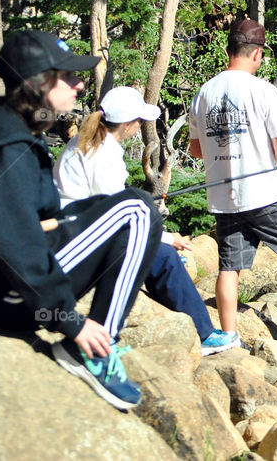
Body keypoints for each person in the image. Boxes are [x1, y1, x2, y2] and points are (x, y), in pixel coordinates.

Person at [0, 30, 162, 410]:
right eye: (67, 76)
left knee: (111, 204)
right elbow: (15, 245)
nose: (80, 84)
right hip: (6, 296)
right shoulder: (7, 148)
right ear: (37, 84)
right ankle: (97, 349)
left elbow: (35, 222)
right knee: (137, 209)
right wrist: (71, 322)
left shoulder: (11, 131)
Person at [54, 86, 240, 356]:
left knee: (160, 254)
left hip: (76, 229)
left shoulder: (92, 142)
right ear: (128, 125)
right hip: (79, 237)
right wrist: (166, 238)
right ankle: (206, 335)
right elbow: (117, 218)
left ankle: (195, 328)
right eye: (139, 120)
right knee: (163, 256)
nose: (140, 125)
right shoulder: (102, 153)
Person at [189, 18, 277, 350]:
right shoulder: (265, 91)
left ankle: (228, 334)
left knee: (230, 266)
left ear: (229, 50)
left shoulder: (203, 93)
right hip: (265, 193)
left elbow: (197, 150)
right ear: (257, 55)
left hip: (224, 196)